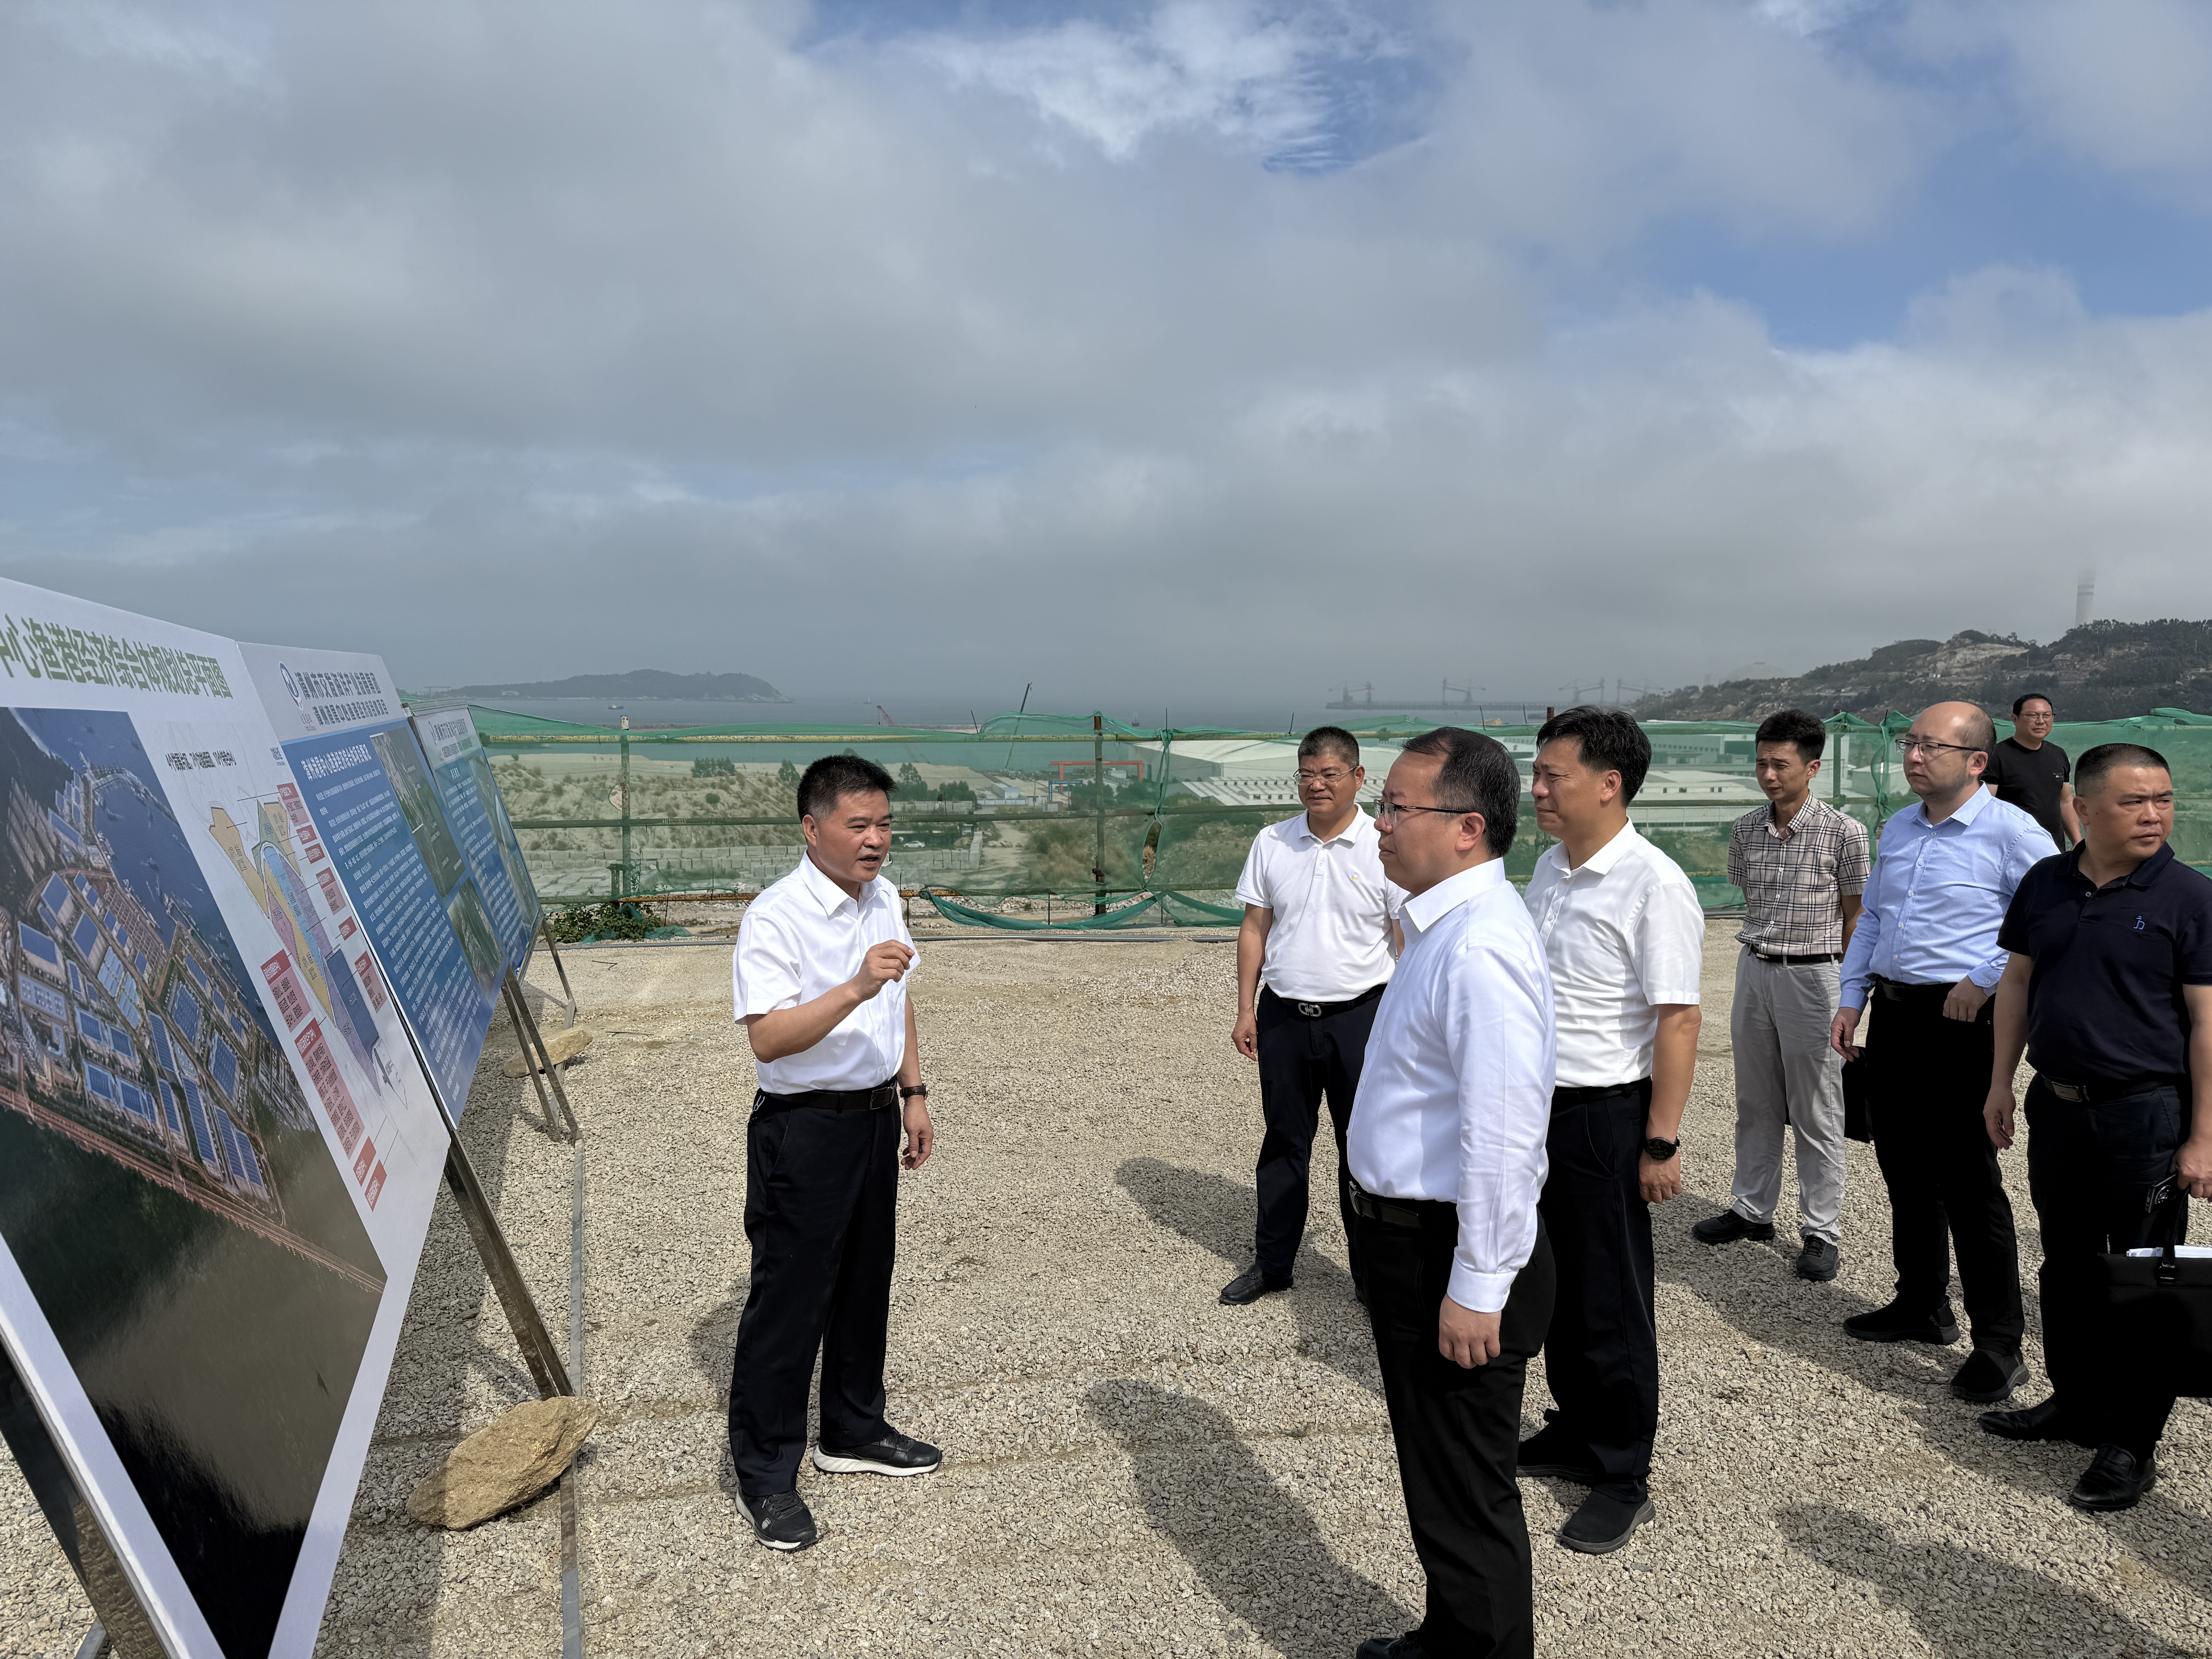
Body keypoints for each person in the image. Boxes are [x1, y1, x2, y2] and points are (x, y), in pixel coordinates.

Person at [1345, 726, 1555, 1659]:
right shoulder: (1440, 925)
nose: (1379, 825)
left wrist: (1478, 1284)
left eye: (1397, 807)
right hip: (1409, 1241)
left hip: (1447, 1250)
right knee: (1437, 1471)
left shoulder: (1479, 947)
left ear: (1468, 827)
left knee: (1469, 1489)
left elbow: (1504, 1136)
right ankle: (1452, 1635)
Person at [1979, 743, 2212, 1511]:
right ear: (2081, 807)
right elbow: (2017, 983)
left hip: (2146, 1112)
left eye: (2163, 800)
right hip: (2058, 1104)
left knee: (2147, 1276)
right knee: (2068, 1266)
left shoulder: (2189, 896)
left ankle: (2131, 1444)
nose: (2153, 814)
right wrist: (2001, 1083)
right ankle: (2077, 1404)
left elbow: (2208, 1024)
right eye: (2133, 801)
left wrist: (2203, 1135)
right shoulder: (2045, 882)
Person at [726, 754, 940, 1552]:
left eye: (884, 824)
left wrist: (914, 1092)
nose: (876, 839)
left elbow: (900, 997)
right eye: (859, 825)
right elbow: (770, 1037)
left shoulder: (882, 897)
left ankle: (852, 1429)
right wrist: (853, 985)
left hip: (875, 1116)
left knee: (863, 1282)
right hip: (804, 1126)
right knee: (790, 1299)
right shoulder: (776, 917)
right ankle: (765, 1471)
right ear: (812, 828)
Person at [1515, 707, 1704, 1554]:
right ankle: (1575, 1426)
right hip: (1537, 1106)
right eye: (1537, 773)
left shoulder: (1652, 882)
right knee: (1553, 1281)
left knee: (1610, 1295)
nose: (1537, 789)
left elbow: (1678, 1017)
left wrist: (1660, 1140)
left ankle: (1624, 1469)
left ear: (1609, 783)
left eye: (1552, 775)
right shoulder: (1550, 868)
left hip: (1604, 1113)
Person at [1830, 702, 2056, 1404]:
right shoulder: (1899, 826)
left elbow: (2051, 914)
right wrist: (1851, 995)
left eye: (1932, 746)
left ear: (1977, 761)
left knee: (1967, 1179)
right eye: (1911, 742)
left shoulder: (2013, 832)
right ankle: (1922, 1303)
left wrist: (1986, 976)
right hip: (1896, 1016)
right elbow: (1874, 918)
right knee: (1903, 1165)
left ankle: (1999, 1342)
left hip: (1964, 1020)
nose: (1914, 755)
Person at [1222, 726, 1403, 1307]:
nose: (1316, 785)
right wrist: (1245, 1008)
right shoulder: (1273, 841)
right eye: (1306, 775)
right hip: (1283, 1016)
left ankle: (1371, 1275)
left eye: (1329, 774)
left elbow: (1404, 940)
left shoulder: (1384, 845)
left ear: (1358, 778)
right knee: (1284, 1142)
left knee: (1364, 1147)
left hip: (1362, 1017)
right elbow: (1255, 928)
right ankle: (1273, 1265)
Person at [1694, 709, 1868, 1281]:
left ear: (1812, 767)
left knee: (1817, 1107)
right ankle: (1752, 1209)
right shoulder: (1747, 829)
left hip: (1815, 976)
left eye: (1781, 764)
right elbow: (1751, 898)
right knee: (1756, 1100)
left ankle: (1821, 1229)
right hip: (1755, 967)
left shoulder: (1844, 832)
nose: (1769, 775)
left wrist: (1851, 995)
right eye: (1762, 763)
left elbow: (1856, 916)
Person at [1982, 693, 2079, 848]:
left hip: (2054, 849)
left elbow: (2065, 801)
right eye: (2033, 715)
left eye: (2047, 716)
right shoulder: (1997, 756)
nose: (2041, 721)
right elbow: (1986, 806)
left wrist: (2077, 841)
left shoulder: (2058, 754)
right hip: (2012, 848)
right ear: (2015, 719)